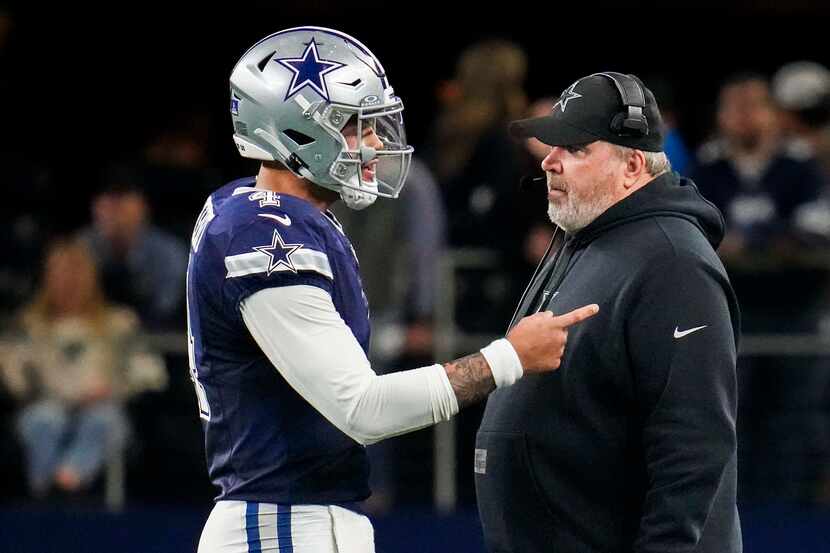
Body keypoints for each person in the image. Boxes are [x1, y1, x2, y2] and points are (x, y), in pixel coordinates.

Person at [188, 27, 599, 553]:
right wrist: (508, 357)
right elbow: (364, 407)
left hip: (293, 518)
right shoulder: (265, 235)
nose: (377, 143)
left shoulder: (261, 212)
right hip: (284, 524)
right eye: (356, 126)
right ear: (294, 132)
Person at [475, 73, 742, 553]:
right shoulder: (585, 239)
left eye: (575, 149)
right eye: (552, 145)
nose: (550, 162)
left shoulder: (673, 262)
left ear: (633, 165)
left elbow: (693, 450)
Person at [0, 238, 166, 498]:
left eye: (77, 274)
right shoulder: (29, 325)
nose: (69, 282)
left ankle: (67, 482)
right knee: (45, 420)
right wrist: (31, 385)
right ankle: (43, 493)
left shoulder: (119, 323)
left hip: (104, 405)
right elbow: (14, 377)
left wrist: (115, 389)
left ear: (92, 279)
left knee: (103, 421)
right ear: (48, 278)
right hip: (45, 404)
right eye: (61, 274)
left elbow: (150, 373)